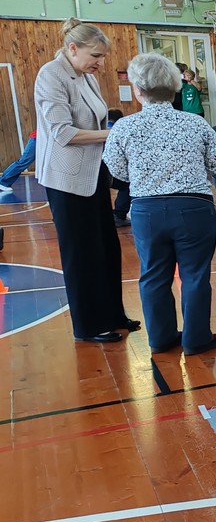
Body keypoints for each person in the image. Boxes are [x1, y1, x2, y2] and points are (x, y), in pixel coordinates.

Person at [103, 53, 216, 356]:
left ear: (138, 90)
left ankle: (160, 338)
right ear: (174, 89)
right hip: (194, 207)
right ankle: (197, 339)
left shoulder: (124, 127)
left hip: (147, 209)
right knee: (195, 274)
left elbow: (116, 170)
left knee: (153, 275)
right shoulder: (195, 123)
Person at [34, 18, 139, 343]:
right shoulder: (51, 75)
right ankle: (88, 325)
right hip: (66, 180)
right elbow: (62, 133)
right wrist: (116, 132)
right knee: (80, 253)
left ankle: (112, 314)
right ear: (72, 48)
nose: (101, 63)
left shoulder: (85, 76)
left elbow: (97, 118)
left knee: (106, 248)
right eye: (96, 56)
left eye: (103, 57)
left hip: (93, 175)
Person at [107, 109, 132, 227]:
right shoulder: (118, 131)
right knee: (129, 183)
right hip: (107, 172)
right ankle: (119, 214)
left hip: (95, 171)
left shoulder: (99, 129)